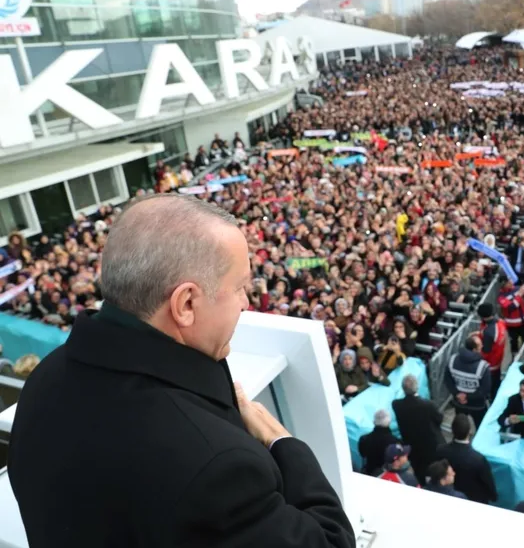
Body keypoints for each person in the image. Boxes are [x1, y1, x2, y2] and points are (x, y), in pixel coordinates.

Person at [8, 195, 354, 548]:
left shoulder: (43, 379)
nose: (246, 302)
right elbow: (332, 541)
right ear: (186, 303)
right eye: (239, 287)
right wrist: (283, 443)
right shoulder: (217, 467)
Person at [392, 374, 444, 486]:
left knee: (418, 469)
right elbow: (439, 419)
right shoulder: (428, 405)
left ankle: (421, 484)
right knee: (433, 470)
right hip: (429, 445)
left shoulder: (396, 405)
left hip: (412, 445)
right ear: (417, 387)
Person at [435, 414, 498, 504]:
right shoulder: (478, 459)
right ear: (469, 431)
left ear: (452, 430)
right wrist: (493, 496)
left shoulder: (440, 451)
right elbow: (488, 483)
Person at [445, 334, 492, 427]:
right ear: (474, 350)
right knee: (480, 428)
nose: (482, 346)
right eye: (480, 345)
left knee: (460, 426)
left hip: (459, 403)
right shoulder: (483, 366)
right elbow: (485, 389)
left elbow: (448, 380)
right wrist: (468, 397)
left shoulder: (452, 360)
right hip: (477, 405)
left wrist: (457, 394)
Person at [358, 409, 401, 476]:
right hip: (388, 477)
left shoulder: (364, 439)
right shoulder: (395, 442)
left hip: (369, 473)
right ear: (389, 422)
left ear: (374, 422)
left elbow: (363, 454)